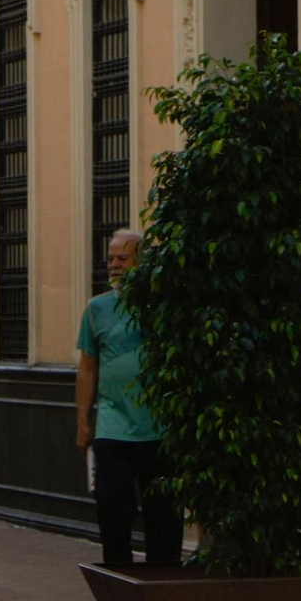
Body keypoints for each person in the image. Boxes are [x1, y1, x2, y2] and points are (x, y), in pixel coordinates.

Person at [76, 229, 182, 564]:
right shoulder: (97, 309)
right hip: (113, 426)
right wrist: (82, 421)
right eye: (110, 259)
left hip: (160, 427)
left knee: (164, 513)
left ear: (143, 262)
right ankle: (119, 574)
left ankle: (162, 579)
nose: (115, 265)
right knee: (111, 507)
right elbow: (88, 367)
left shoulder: (162, 306)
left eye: (123, 258)